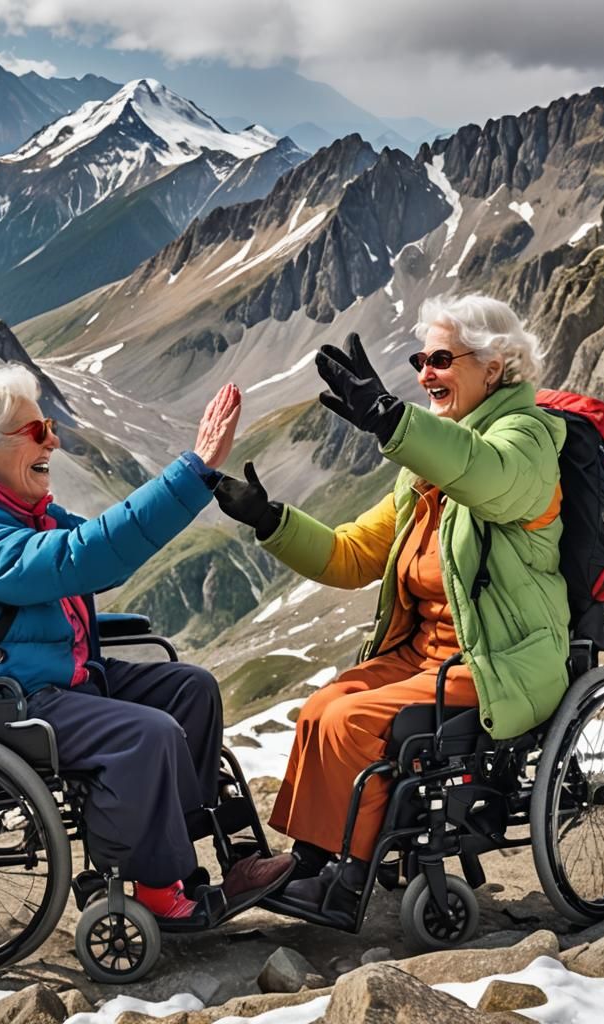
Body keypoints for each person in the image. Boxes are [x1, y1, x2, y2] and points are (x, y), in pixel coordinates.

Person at [0, 364, 293, 924]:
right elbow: (84, 556)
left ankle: (192, 858)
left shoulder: (20, 509)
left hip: (47, 678)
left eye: (50, 425)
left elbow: (103, 553)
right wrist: (195, 469)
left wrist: (197, 481)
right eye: (36, 431)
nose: (52, 439)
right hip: (1, 700)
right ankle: (158, 894)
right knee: (145, 734)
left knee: (191, 691)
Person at [215, 294, 569, 918]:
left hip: (494, 659)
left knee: (353, 723)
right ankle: (309, 860)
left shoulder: (529, 439)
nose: (425, 372)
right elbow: (353, 555)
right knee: (322, 707)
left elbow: (489, 478)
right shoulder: (426, 465)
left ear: (495, 367)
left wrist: (391, 421)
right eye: (418, 360)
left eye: (440, 359)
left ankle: (349, 877)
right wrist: (269, 521)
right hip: (425, 655)